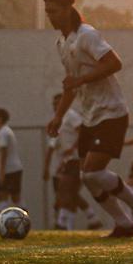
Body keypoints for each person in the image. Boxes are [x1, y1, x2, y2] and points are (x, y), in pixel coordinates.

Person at [45, 0, 133, 238]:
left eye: (54, 11)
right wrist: (59, 116)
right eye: (47, 11)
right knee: (89, 177)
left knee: (93, 171)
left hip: (112, 112)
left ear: (67, 9)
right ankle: (124, 224)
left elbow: (115, 63)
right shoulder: (62, 43)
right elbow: (71, 85)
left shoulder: (87, 35)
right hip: (90, 115)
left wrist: (81, 80)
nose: (50, 16)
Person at [43, 93, 101, 231]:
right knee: (69, 192)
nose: (55, 106)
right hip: (68, 161)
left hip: (75, 158)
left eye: (58, 103)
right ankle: (90, 219)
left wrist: (73, 148)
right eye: (54, 103)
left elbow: (83, 133)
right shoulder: (60, 119)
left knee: (65, 189)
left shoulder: (71, 115)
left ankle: (63, 223)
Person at [0, 108, 23, 210]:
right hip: (14, 169)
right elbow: (0, 156)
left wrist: (2, 173)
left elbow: (4, 153)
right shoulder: (6, 131)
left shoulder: (3, 133)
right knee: (15, 198)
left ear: (0, 119)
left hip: (10, 170)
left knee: (3, 197)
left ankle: (3, 222)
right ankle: (24, 221)